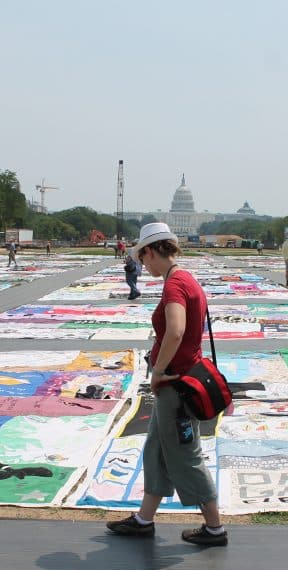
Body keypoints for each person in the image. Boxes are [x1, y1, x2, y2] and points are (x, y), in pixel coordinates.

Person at [105, 222, 226, 547]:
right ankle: (144, 519)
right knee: (157, 450)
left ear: (152, 250)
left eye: (142, 257)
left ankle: (215, 528)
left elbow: (175, 331)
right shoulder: (185, 279)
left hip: (175, 384)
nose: (142, 264)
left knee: (186, 455)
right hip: (179, 380)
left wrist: (158, 371)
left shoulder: (175, 285)